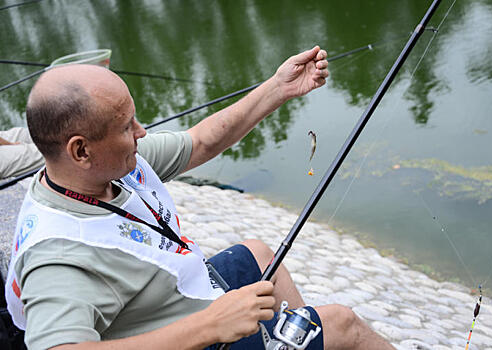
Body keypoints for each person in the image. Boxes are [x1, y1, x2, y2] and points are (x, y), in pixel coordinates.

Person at [5, 46, 395, 350]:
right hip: (191, 338)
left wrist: (280, 87)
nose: (141, 133)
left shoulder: (106, 167)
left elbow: (203, 140)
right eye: (126, 126)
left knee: (258, 255)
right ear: (80, 151)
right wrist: (210, 325)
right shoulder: (57, 257)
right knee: (341, 323)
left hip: (179, 300)